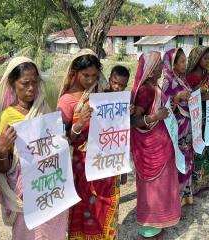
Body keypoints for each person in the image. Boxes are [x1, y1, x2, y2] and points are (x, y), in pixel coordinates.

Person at [0, 57, 67, 240]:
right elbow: (3, 168)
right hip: (25, 193)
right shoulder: (6, 117)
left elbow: (52, 150)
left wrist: (61, 144)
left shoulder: (45, 110)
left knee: (52, 231)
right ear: (12, 83)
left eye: (35, 82)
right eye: (25, 83)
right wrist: (2, 150)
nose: (31, 88)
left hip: (48, 187)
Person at [57, 49, 120, 240]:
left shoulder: (101, 94)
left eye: (94, 75)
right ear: (74, 73)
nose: (90, 80)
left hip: (106, 163)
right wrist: (79, 124)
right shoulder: (66, 101)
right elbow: (61, 141)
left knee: (106, 207)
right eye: (86, 75)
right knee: (86, 209)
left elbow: (115, 128)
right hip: (82, 167)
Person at [131, 51, 181, 239]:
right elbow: (133, 121)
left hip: (161, 144)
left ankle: (157, 223)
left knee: (160, 186)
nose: (162, 66)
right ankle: (149, 228)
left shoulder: (154, 86)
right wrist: (155, 117)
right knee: (151, 187)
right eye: (159, 64)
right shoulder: (146, 90)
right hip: (150, 147)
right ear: (151, 70)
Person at [160, 48, 194, 206]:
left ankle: (187, 192)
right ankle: (177, 194)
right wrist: (177, 97)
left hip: (188, 124)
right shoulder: (167, 81)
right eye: (181, 61)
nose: (185, 64)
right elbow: (163, 105)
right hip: (177, 126)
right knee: (179, 157)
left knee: (187, 155)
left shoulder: (183, 79)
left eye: (185, 61)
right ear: (172, 64)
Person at [186, 46, 209, 194]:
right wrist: (202, 97)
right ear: (197, 59)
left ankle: (206, 179)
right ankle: (196, 182)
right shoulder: (191, 77)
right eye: (205, 58)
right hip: (196, 117)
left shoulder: (206, 74)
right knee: (198, 147)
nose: (208, 61)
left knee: (207, 145)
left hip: (208, 114)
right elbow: (188, 99)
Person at [107, 65, 132, 185]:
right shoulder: (100, 98)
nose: (117, 87)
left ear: (126, 86)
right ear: (109, 80)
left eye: (121, 85)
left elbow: (125, 138)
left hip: (117, 154)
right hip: (102, 152)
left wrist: (124, 171)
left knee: (114, 190)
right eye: (114, 82)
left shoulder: (126, 102)